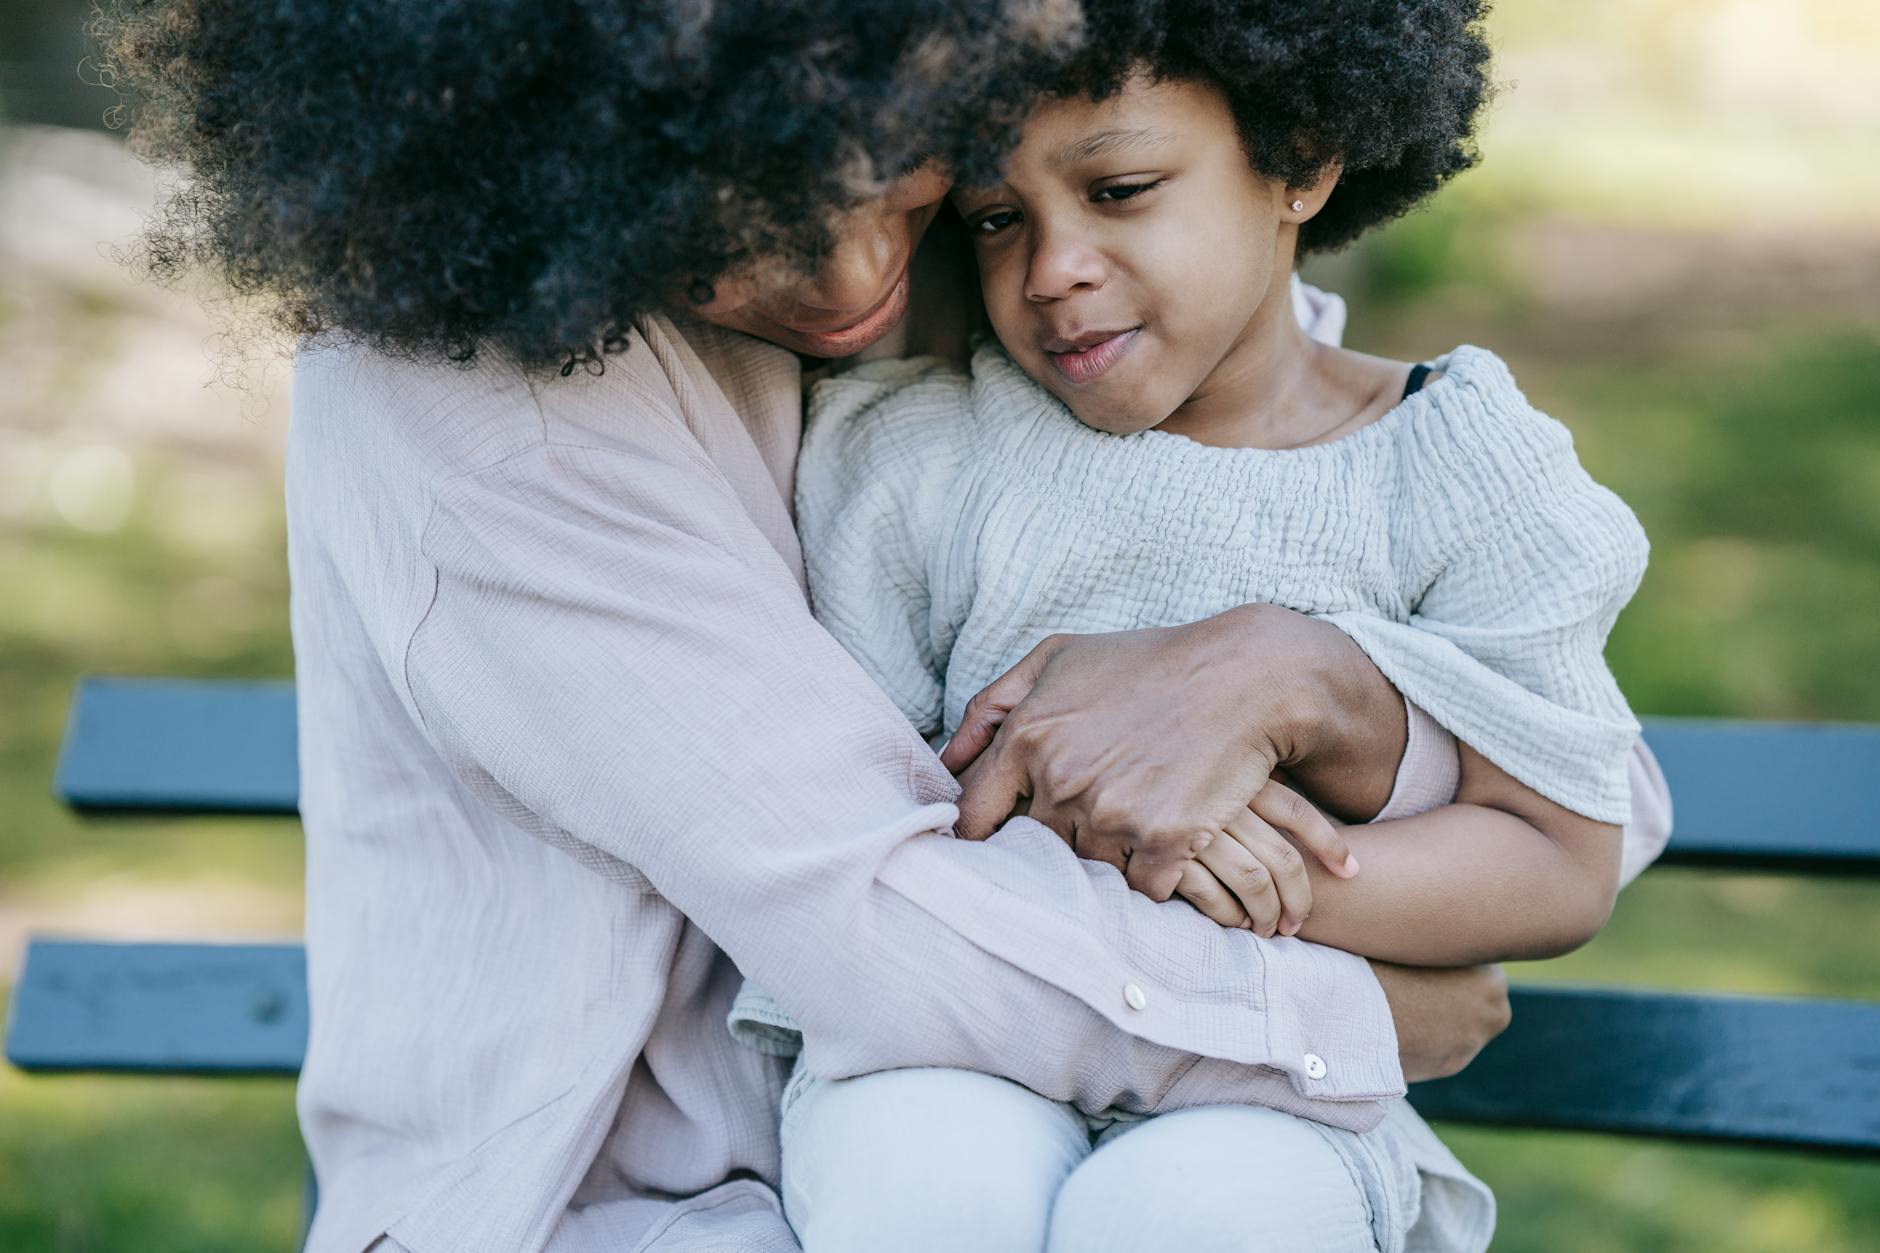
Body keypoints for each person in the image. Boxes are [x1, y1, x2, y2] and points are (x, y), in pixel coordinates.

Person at [92, 3, 1658, 1251]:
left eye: (892, 167)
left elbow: (1547, 756)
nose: (851, 277)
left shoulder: (1048, 258)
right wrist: (1338, 1002)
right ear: (564, 165)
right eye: (735, 217)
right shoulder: (482, 405)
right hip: (644, 1203)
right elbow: (872, 893)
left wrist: (1322, 681)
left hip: (1034, 1125)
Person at [737, 3, 1670, 1249]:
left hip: (1285, 1092)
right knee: (926, 1197)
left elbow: (1553, 858)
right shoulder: (918, 456)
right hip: (949, 1046)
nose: (1049, 267)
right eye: (995, 218)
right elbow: (859, 829)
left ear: (1297, 159)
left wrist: (1259, 887)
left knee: (1185, 1216)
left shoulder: (1460, 472)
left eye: (1118, 188)